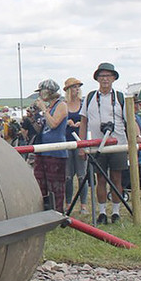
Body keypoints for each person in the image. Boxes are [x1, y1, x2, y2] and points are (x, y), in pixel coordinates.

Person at [78, 62, 128, 224]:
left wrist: (138, 138)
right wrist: (82, 145)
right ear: (97, 78)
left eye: (108, 76)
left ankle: (115, 212)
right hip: (96, 145)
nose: (105, 79)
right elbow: (83, 122)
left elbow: (130, 121)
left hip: (118, 143)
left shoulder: (120, 98)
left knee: (116, 178)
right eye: (102, 76)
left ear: (114, 78)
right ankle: (101, 212)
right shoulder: (90, 98)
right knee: (100, 179)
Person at [30, 79, 69, 212]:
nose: (40, 95)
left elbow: (54, 124)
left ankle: (57, 211)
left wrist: (44, 110)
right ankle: (44, 210)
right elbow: (40, 129)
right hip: (42, 150)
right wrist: (32, 118)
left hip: (56, 151)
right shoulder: (49, 108)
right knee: (41, 183)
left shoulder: (61, 105)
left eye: (41, 91)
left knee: (56, 185)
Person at [62, 77, 87, 212]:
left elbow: (87, 119)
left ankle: (83, 204)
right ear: (68, 90)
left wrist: (81, 123)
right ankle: (68, 203)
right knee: (68, 176)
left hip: (80, 140)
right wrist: (67, 122)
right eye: (73, 87)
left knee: (82, 175)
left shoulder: (83, 104)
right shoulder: (63, 104)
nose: (76, 90)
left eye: (78, 87)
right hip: (66, 141)